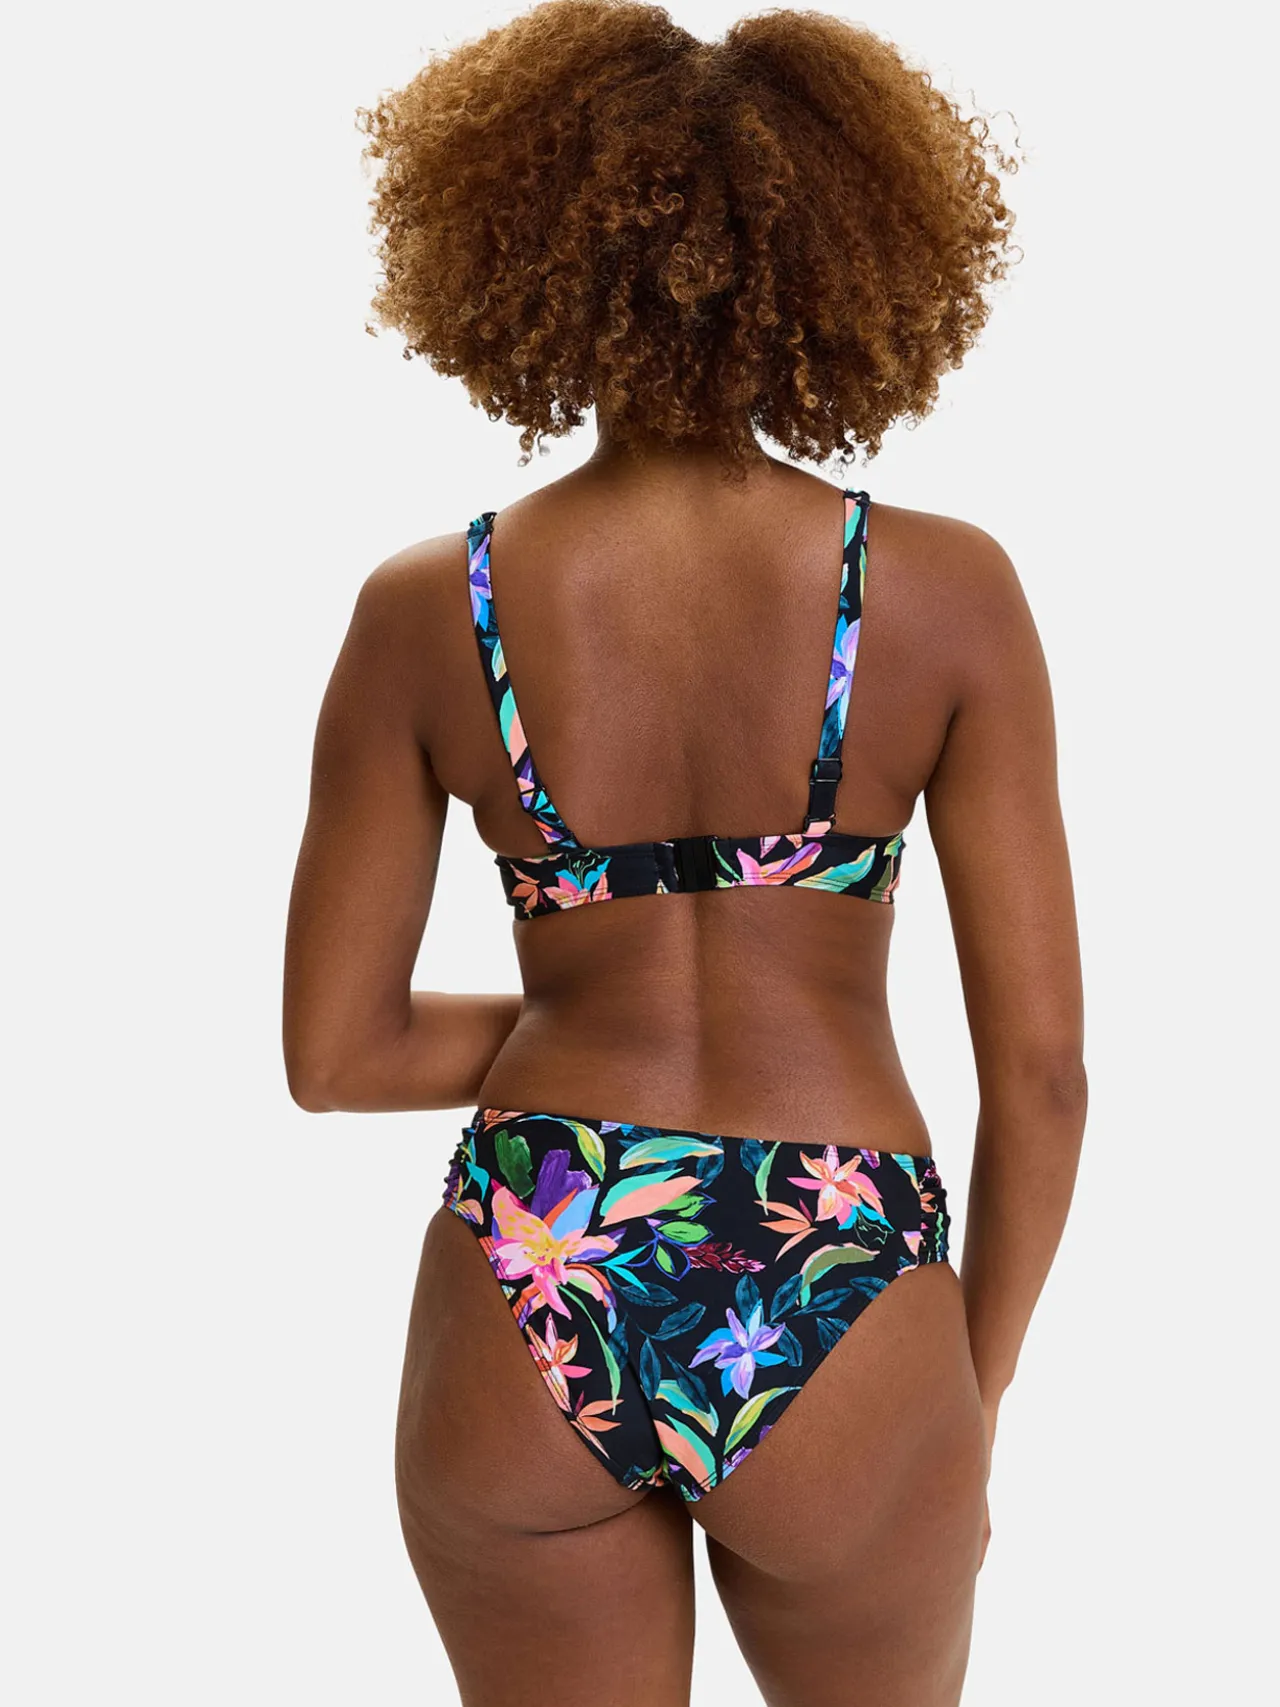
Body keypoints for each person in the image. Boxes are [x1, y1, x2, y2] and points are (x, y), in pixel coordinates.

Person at [283, 4, 1086, 1702]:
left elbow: (337, 1054)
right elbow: (1045, 1076)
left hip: (540, 1249)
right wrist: (969, 1388)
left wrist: (585, 1028)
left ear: (526, 253)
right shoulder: (943, 593)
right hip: (840, 1266)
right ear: (843, 261)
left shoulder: (430, 609)